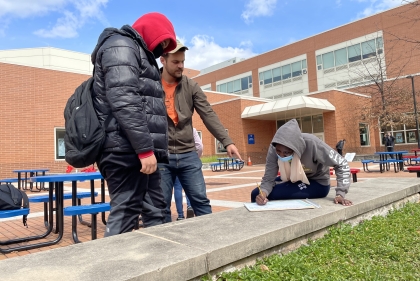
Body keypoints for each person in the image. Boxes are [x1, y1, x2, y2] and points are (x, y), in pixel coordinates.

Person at [91, 13, 177, 237]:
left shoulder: (136, 51)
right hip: (125, 150)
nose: (162, 49)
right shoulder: (121, 45)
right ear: (151, 31)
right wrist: (145, 149)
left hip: (136, 149)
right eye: (162, 42)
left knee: (156, 210)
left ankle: (158, 265)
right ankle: (113, 270)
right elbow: (124, 99)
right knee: (126, 212)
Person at [159, 39, 243, 222]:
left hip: (188, 153)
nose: (180, 66)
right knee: (160, 207)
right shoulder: (151, 84)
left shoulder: (191, 86)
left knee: (201, 203)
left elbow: (208, 114)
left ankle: (211, 245)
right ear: (162, 60)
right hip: (161, 155)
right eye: (175, 62)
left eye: (183, 61)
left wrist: (226, 141)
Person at [251, 119, 352, 206]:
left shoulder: (312, 143)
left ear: (296, 148)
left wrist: (340, 194)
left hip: (316, 183)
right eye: (279, 151)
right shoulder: (274, 147)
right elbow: (268, 178)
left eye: (286, 153)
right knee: (256, 194)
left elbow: (342, 163)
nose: (281, 156)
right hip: (293, 179)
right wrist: (263, 193)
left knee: (273, 194)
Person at [174, 128, 203, 220]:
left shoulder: (168, 128)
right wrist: (195, 157)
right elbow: (199, 146)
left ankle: (180, 215)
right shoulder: (191, 129)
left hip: (173, 161)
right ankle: (190, 206)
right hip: (189, 161)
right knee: (189, 186)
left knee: (177, 188)